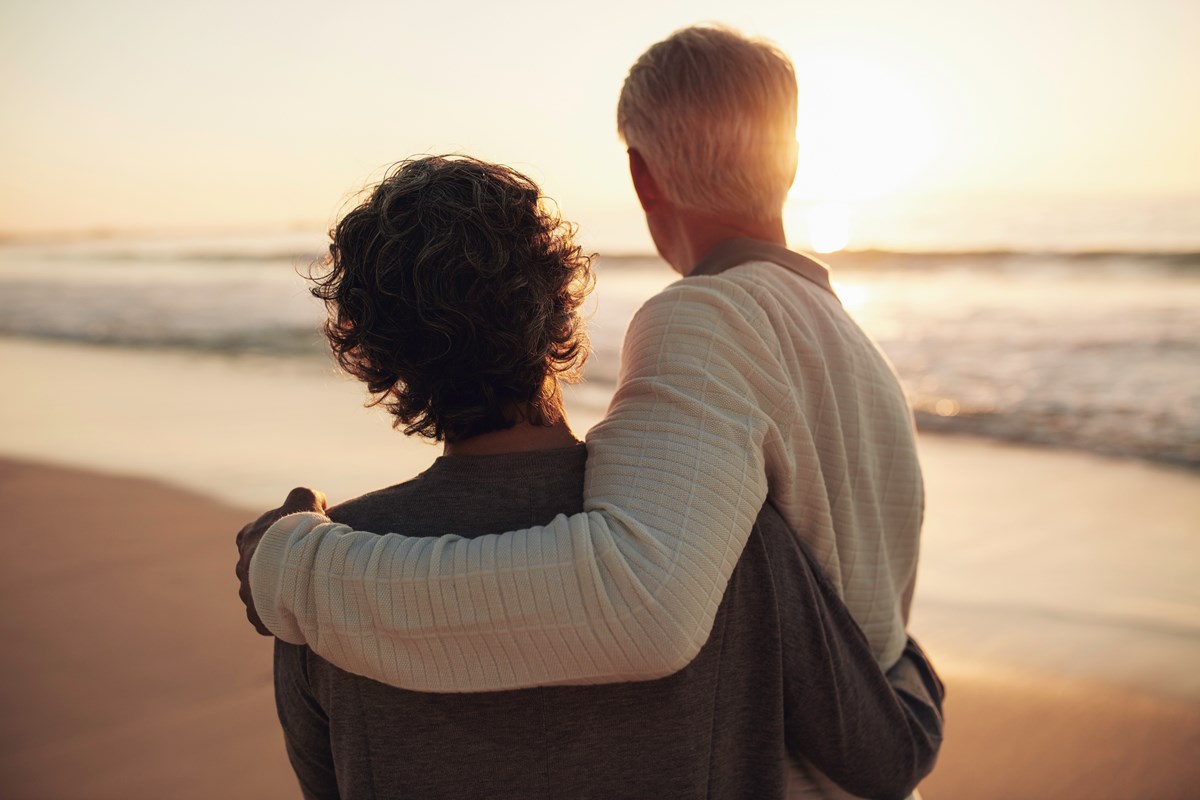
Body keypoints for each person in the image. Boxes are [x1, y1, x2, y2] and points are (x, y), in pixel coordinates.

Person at [238, 25, 935, 797]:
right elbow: (865, 647)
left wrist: (294, 567)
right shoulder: (871, 369)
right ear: (793, 157)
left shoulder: (708, 321)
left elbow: (638, 604)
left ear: (642, 176)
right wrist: (913, 687)